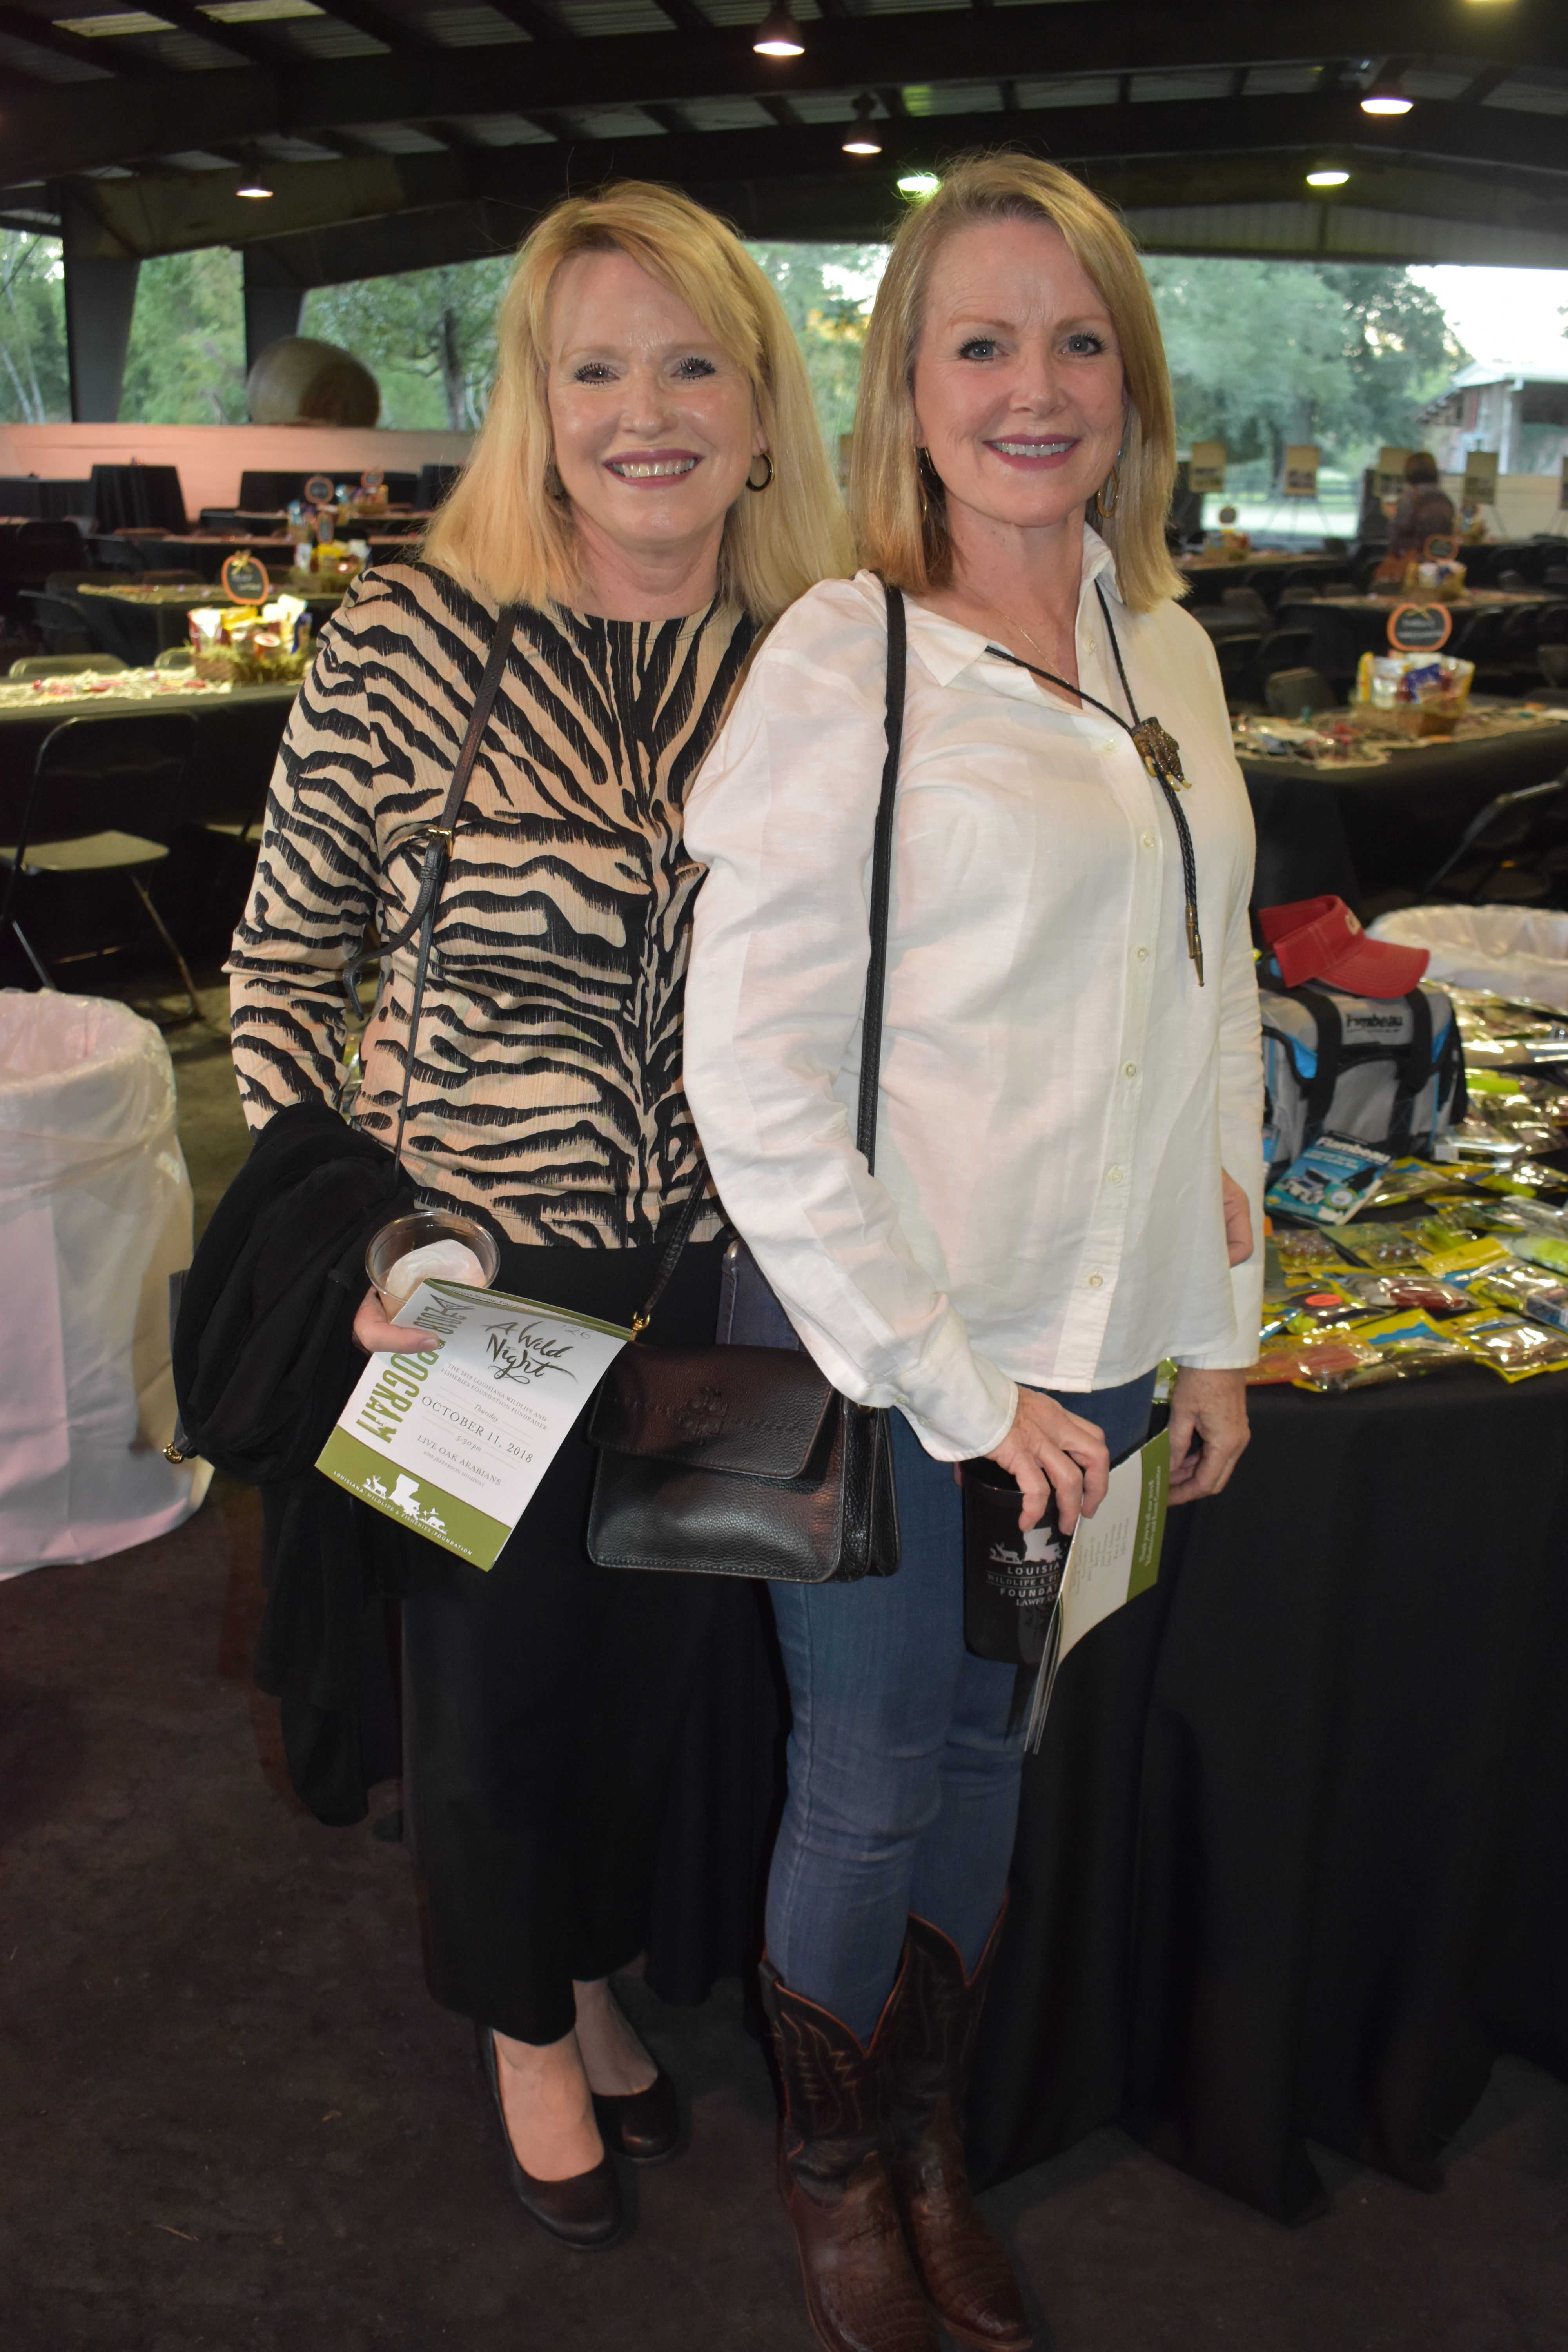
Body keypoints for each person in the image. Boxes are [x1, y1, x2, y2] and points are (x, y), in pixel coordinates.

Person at [227, 181, 849, 2252]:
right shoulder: (407, 641)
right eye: (595, 370)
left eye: (688, 366)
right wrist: (365, 1229)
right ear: (534, 403)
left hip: (733, 1278)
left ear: (759, 407)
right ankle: (518, 2020)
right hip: (471, 1272)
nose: (642, 413)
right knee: (492, 1686)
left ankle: (580, 1970)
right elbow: (281, 968)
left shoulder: (823, 657)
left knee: (651, 1674)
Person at [682, 153, 1263, 2352]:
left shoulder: (1166, 646)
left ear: (1133, 377)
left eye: (1078, 338)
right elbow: (750, 1076)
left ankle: (925, 2135)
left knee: (993, 1747)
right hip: (876, 1349)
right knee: (864, 1772)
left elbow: (1208, 997)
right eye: (983, 342)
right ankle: (839, 2170)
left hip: (1092, 1337)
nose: (1036, 387)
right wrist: (956, 1381)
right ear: (908, 389)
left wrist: (1212, 1328)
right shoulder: (846, 659)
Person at [1387, 450, 1455, 561]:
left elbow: (1398, 533)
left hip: (1413, 560)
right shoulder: (1445, 499)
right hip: (1440, 559)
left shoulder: (1410, 497)